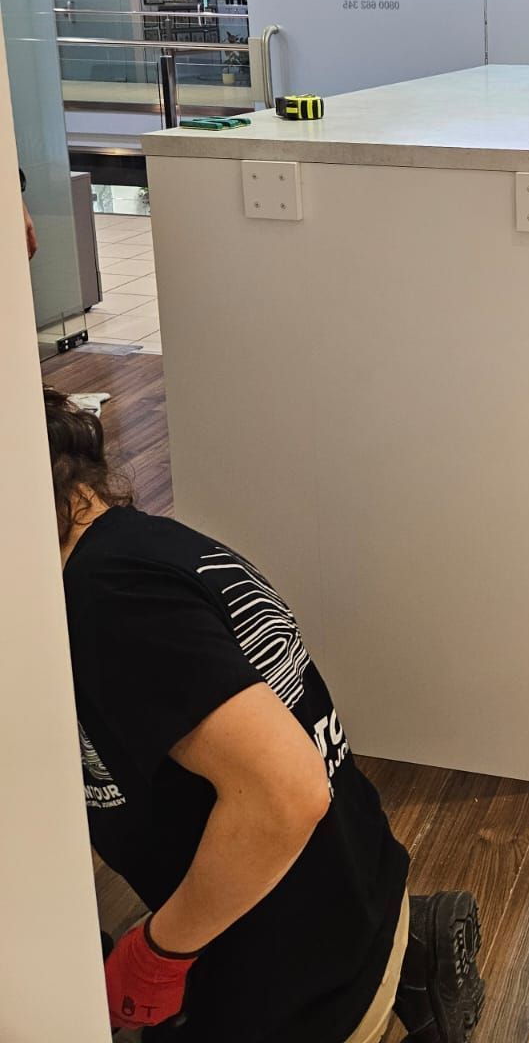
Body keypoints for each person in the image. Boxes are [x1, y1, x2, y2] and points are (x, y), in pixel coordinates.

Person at [45, 388, 484, 1042]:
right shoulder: (139, 546)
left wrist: (157, 956)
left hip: (312, 991)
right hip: (360, 889)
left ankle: (400, 970)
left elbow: (285, 793)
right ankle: (412, 947)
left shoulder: (110, 603)